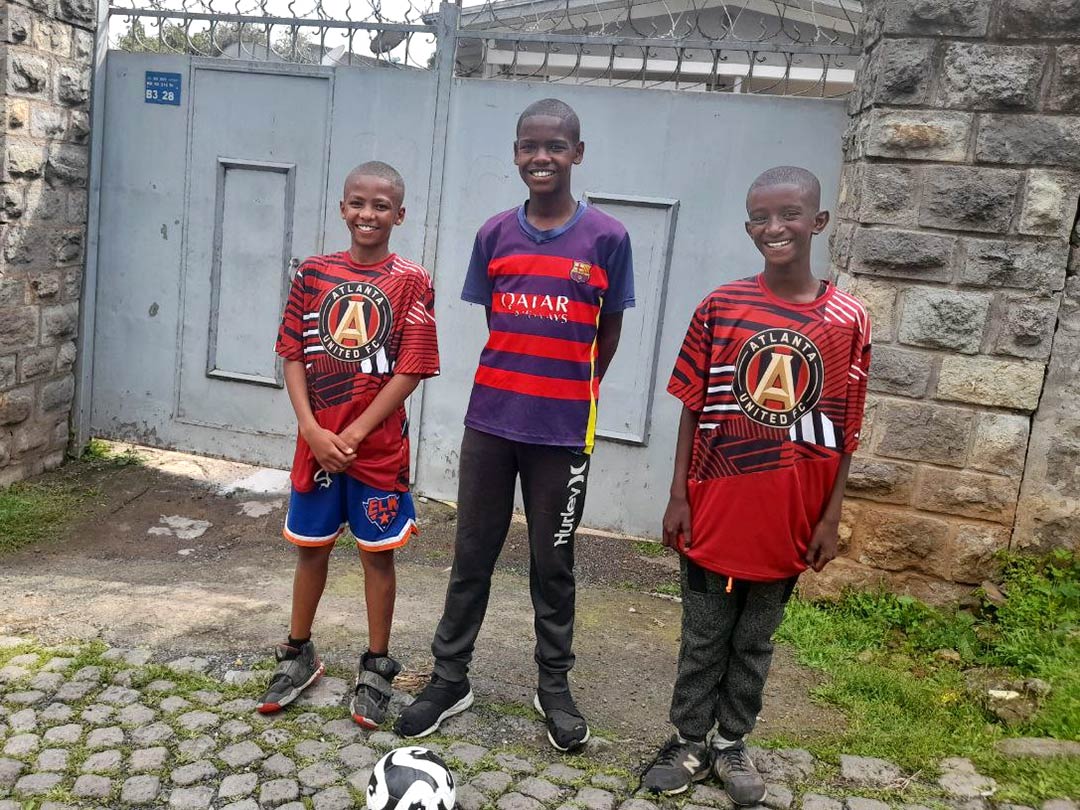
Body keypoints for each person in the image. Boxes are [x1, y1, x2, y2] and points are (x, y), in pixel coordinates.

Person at [394, 98, 635, 752]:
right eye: (529, 146)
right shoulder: (494, 234)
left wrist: (571, 391)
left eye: (555, 146)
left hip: (563, 433)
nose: (541, 157)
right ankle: (449, 678)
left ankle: (552, 686)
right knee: (472, 553)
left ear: (576, 154)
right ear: (515, 153)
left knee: (552, 562)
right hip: (492, 424)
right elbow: (501, 326)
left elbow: (605, 332)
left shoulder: (608, 238)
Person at [641, 166, 871, 804]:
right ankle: (688, 740)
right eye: (761, 218)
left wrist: (829, 517)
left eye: (790, 214)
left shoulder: (848, 320)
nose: (776, 228)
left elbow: (846, 427)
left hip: (790, 516)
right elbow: (692, 404)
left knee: (754, 640)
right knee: (704, 632)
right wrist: (679, 494)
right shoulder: (721, 307)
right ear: (748, 227)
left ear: (818, 222)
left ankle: (730, 744)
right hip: (716, 504)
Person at [257, 161, 440, 730]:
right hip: (316, 445)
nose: (368, 215)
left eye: (381, 206)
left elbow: (412, 366)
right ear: (342, 208)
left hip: (378, 451)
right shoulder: (313, 274)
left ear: (400, 215)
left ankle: (377, 664)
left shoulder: (412, 280)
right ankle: (298, 650)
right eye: (358, 203)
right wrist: (313, 430)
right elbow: (291, 351)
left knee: (375, 554)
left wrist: (357, 433)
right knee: (311, 549)